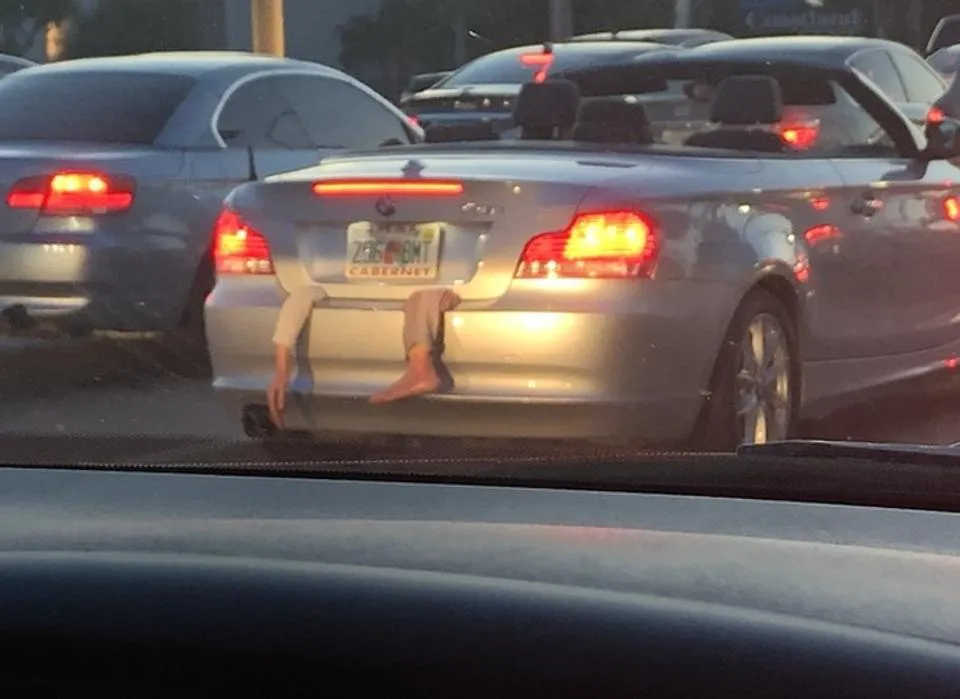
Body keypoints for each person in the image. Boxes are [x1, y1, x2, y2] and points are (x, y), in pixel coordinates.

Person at [266, 285, 461, 429]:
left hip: (445, 292)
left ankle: (420, 370)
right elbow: (303, 294)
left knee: (423, 296)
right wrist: (282, 370)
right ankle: (419, 372)